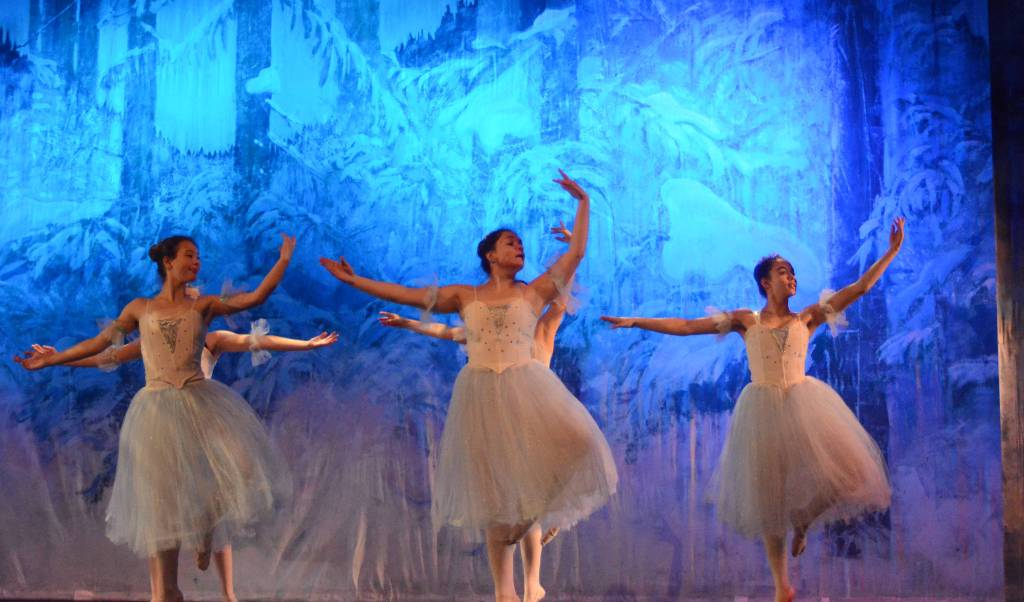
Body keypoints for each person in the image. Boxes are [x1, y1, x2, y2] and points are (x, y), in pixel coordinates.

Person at [321, 171, 617, 602]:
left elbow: (575, 254)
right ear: (490, 255)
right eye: (510, 242)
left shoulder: (534, 292)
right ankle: (505, 593)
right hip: (481, 396)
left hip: (527, 389)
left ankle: (536, 517)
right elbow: (406, 293)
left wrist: (584, 202)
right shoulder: (465, 296)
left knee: (581, 443)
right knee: (494, 494)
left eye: (521, 243)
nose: (519, 247)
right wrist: (354, 281)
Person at [601, 217, 905, 602]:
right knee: (768, 495)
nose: (791, 278)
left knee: (847, 475)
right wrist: (635, 321)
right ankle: (782, 587)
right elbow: (686, 326)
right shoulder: (748, 320)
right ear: (766, 282)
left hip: (804, 403)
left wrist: (891, 251)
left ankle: (806, 516)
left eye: (793, 273)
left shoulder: (808, 316)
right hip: (762, 409)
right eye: (783, 272)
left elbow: (859, 288)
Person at [16, 234, 296, 602]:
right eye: (189, 256)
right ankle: (166, 591)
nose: (196, 262)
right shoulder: (140, 309)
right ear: (168, 261)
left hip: (199, 400)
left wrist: (283, 259)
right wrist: (53, 358)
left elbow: (256, 297)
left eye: (198, 256)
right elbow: (102, 346)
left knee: (219, 479)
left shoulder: (205, 305)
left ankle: (205, 531)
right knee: (161, 496)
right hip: (156, 409)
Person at [29, 321, 338, 602]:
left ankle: (220, 574)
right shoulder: (153, 340)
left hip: (204, 427)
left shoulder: (211, 340)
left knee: (220, 495)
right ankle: (161, 592)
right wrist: (59, 357)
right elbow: (106, 357)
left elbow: (254, 341)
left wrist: (306, 344)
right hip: (163, 429)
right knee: (161, 509)